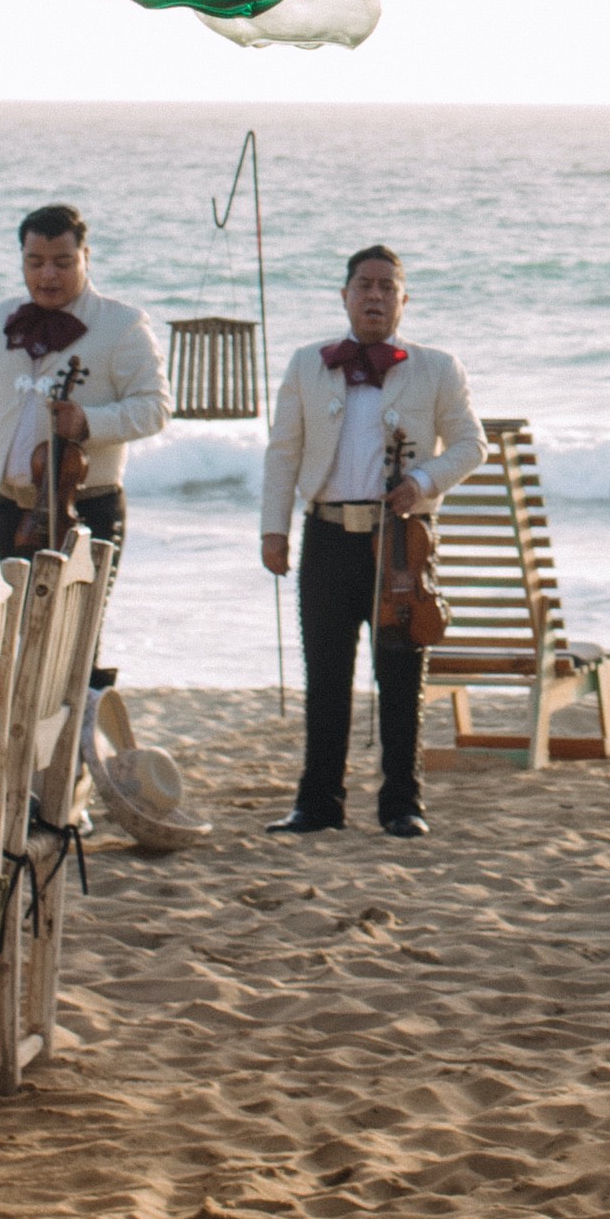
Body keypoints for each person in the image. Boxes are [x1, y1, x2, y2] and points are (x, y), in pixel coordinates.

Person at [257, 245, 477, 839]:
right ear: (345, 296)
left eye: (386, 287)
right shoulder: (307, 363)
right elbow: (283, 451)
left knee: (401, 676)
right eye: (364, 286)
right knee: (326, 676)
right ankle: (318, 803)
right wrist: (274, 529)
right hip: (327, 535)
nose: (374, 296)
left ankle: (403, 803)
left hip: (402, 542)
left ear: (404, 299)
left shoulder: (438, 367)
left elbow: (470, 445)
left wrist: (422, 481)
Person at [0, 202, 164, 561]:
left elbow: (155, 409)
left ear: (86, 257)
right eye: (35, 262)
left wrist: (88, 421)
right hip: (9, 508)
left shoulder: (124, 325)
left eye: (63, 263)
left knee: (73, 603)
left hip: (87, 511)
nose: (48, 275)